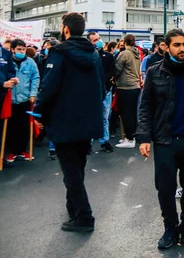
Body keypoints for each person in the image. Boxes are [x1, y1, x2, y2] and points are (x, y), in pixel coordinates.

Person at [137, 29, 184, 249]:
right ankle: (170, 227)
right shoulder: (155, 72)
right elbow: (145, 107)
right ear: (167, 47)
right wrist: (144, 137)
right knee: (165, 187)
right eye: (177, 45)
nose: (182, 49)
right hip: (165, 140)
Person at [33, 12, 104, 232]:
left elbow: (49, 87)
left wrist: (38, 114)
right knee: (77, 168)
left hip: (64, 120)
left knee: (71, 172)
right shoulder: (93, 53)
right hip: (87, 122)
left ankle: (84, 216)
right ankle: (73, 208)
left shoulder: (59, 53)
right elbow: (101, 88)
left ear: (65, 29)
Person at [4, 39, 39, 164]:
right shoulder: (7, 62)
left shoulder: (30, 62)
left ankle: (23, 150)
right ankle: (12, 151)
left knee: (24, 126)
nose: (21, 52)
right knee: (11, 127)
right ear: (13, 49)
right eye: (19, 49)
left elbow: (35, 77)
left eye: (23, 49)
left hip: (25, 99)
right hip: (10, 100)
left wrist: (33, 93)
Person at [87, 32, 116, 153]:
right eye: (94, 40)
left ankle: (104, 141)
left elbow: (112, 71)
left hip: (105, 89)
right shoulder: (87, 56)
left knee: (104, 117)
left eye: (98, 39)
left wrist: (103, 80)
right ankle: (88, 143)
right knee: (90, 117)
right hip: (91, 91)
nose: (98, 41)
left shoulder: (108, 56)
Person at [114, 34, 142, 148]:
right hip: (135, 85)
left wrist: (113, 78)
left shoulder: (125, 53)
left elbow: (117, 68)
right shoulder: (137, 54)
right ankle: (131, 136)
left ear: (124, 42)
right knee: (132, 113)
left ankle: (129, 138)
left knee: (126, 113)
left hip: (125, 86)